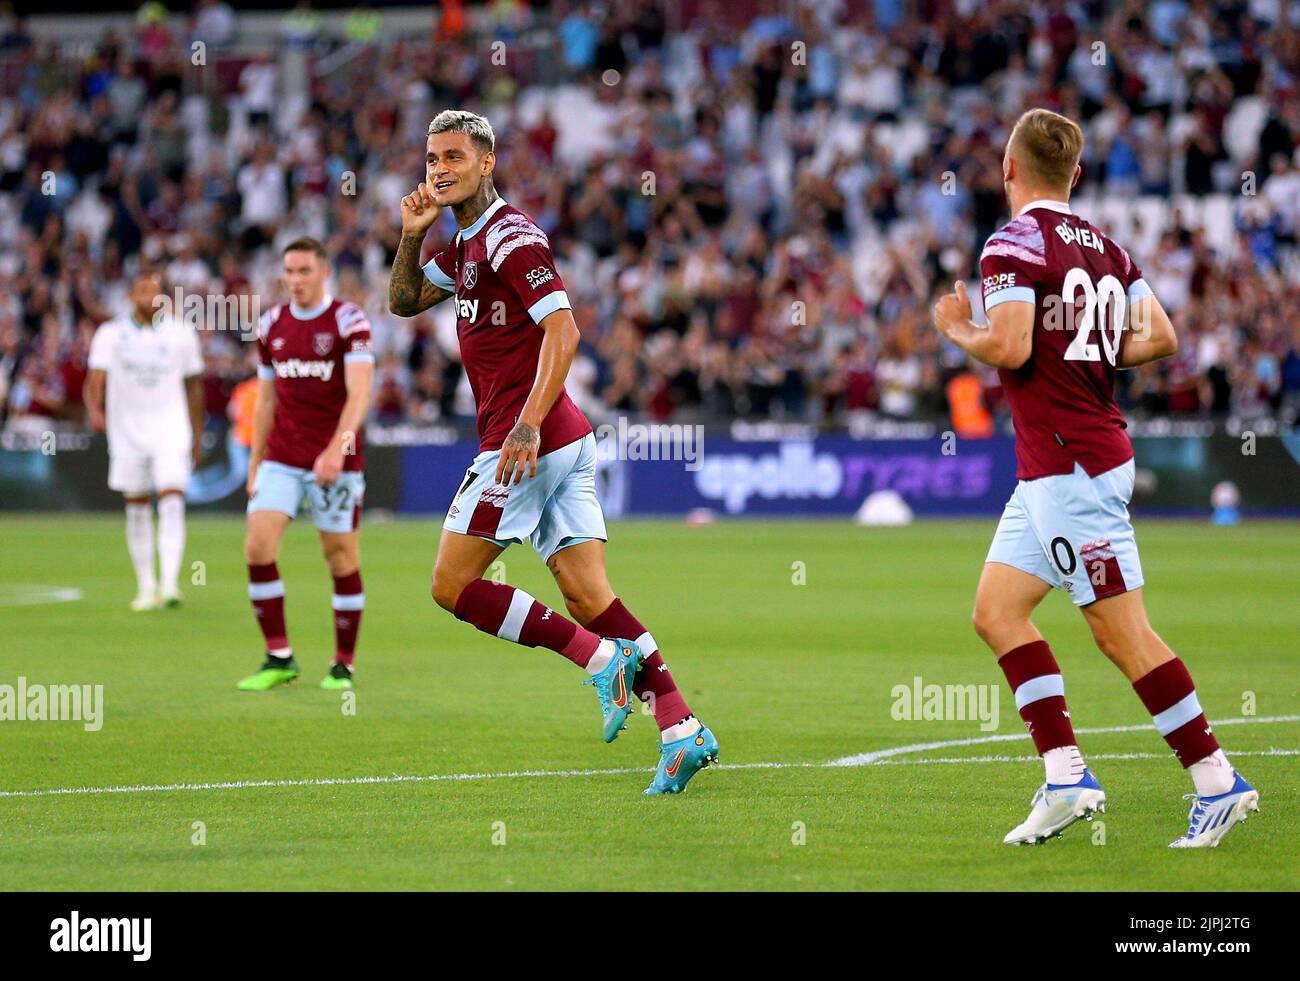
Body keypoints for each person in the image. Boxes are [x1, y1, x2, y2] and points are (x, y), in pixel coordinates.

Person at [932, 108, 1259, 848]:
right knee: (997, 612)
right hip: (1060, 464)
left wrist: (958, 329)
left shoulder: (1012, 241)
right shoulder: (1107, 248)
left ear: (1009, 169)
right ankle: (1065, 775)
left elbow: (1012, 347)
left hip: (1071, 466)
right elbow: (1164, 336)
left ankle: (1216, 780)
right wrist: (1088, 353)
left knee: (1122, 633)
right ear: (1073, 176)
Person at [388, 109, 718, 795]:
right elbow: (405, 301)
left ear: (488, 162)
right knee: (589, 594)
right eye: (430, 160)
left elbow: (564, 333)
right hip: (562, 439)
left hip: (529, 442)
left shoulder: (511, 238)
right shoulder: (465, 245)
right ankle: (682, 727)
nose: (439, 169)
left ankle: (598, 660)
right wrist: (410, 236)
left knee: (451, 585)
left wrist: (526, 424)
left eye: (454, 156)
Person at [238, 238, 375, 691]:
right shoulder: (271, 325)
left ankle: (343, 663)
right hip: (282, 455)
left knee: (339, 557)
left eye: (304, 271)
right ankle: (278, 656)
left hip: (337, 459)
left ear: (324, 272)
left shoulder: (347, 321)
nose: (294, 280)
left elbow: (359, 393)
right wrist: (255, 463)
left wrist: (338, 449)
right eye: (289, 272)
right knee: (258, 547)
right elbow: (266, 401)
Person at [85, 271, 203, 611]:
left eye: (155, 291)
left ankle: (169, 583)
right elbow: (95, 379)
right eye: (142, 290)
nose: (149, 297)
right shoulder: (110, 334)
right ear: (131, 296)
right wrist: (95, 409)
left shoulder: (182, 333)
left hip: (171, 427)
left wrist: (196, 434)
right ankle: (145, 585)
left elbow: (194, 386)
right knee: (136, 505)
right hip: (127, 431)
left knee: (172, 496)